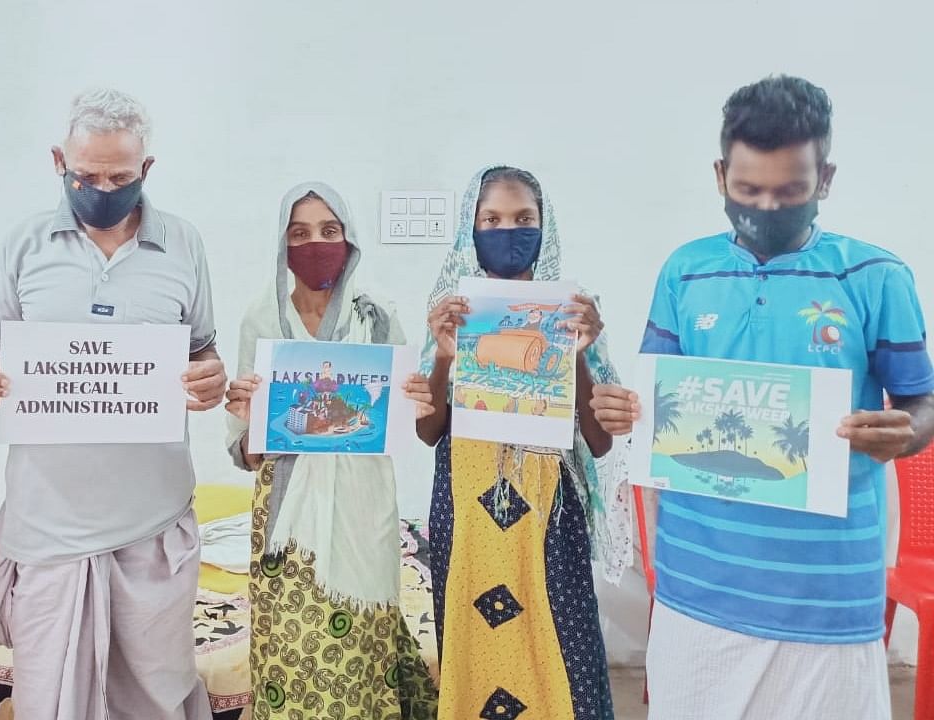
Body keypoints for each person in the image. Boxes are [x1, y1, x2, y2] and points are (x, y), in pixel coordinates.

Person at [591, 75, 934, 720]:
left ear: (825, 179)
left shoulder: (875, 277)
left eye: (791, 191)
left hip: (827, 593)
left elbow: (923, 406)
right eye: (748, 191)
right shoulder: (685, 271)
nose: (766, 208)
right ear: (720, 175)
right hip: (700, 590)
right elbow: (655, 402)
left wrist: (905, 432)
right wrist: (620, 409)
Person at [0, 88, 225, 720]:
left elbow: (204, 354)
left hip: (152, 521)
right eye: (86, 175)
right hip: (49, 523)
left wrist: (210, 382)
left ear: (147, 171)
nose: (102, 189)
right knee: (53, 704)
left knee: (154, 696)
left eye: (120, 177)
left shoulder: (183, 244)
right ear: (58, 162)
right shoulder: (22, 246)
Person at [416, 165, 632, 720]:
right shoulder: (452, 311)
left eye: (522, 219)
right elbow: (427, 430)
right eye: (491, 219)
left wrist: (581, 351)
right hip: (466, 504)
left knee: (559, 640)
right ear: (471, 227)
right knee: (474, 641)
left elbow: (599, 443)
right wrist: (443, 356)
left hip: (546, 512)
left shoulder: (574, 310)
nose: (507, 231)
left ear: (545, 226)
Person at [223, 182, 441, 719]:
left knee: (363, 645)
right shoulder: (261, 318)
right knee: (289, 648)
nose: (315, 243)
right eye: (299, 233)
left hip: (363, 507)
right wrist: (249, 413)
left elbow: (414, 420)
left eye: (329, 230)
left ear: (350, 240)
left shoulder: (377, 317)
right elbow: (248, 451)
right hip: (286, 506)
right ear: (282, 244)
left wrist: (419, 394)